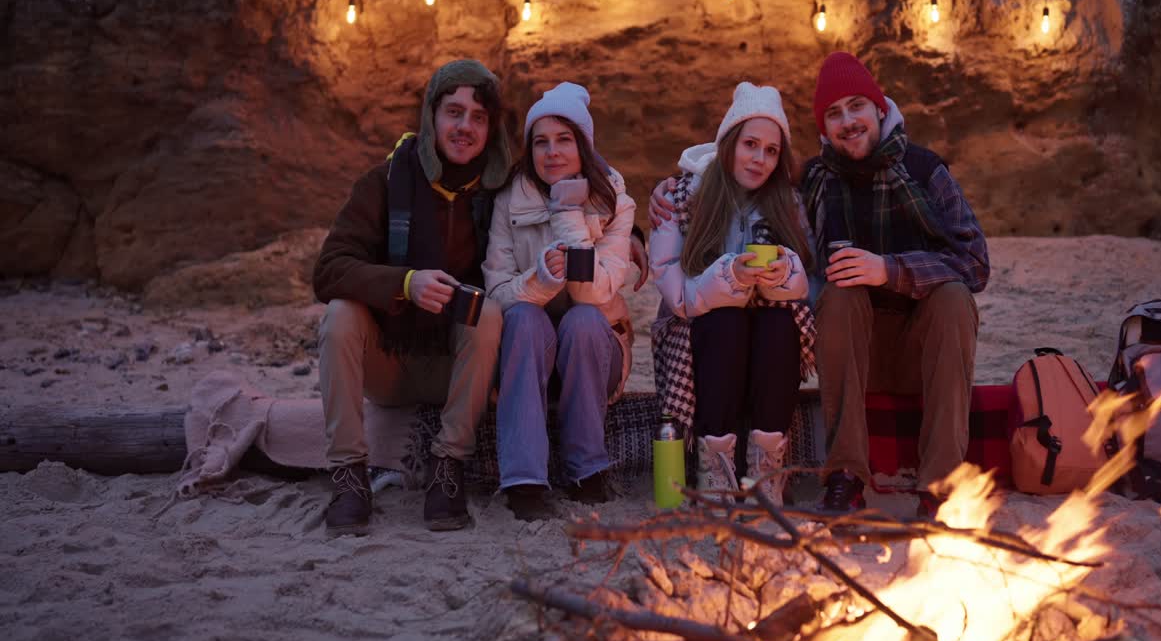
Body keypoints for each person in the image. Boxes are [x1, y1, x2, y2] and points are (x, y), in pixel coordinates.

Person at [312, 59, 509, 534]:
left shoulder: (504, 188)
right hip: (390, 364)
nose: (465, 127)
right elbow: (329, 270)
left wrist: (633, 237)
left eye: (478, 117)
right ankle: (349, 475)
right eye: (454, 112)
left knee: (488, 312)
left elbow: (572, 177)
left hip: (460, 371)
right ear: (431, 116)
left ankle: (448, 468)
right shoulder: (382, 183)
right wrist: (405, 283)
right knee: (340, 315)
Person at [802, 52, 989, 517]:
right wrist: (672, 195)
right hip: (849, 352)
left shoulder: (925, 171)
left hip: (923, 350)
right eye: (834, 113)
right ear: (823, 129)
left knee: (953, 297)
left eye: (856, 106)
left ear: (880, 109)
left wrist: (890, 269)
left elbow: (975, 263)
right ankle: (846, 477)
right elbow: (745, 186)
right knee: (840, 290)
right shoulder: (811, 180)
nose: (848, 121)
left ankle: (941, 486)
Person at [648, 82, 814, 507]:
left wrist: (783, 271)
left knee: (779, 322)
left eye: (771, 151)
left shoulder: (787, 203)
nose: (759, 159)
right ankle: (715, 470)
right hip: (699, 330)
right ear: (728, 144)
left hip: (765, 336)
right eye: (750, 144)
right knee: (725, 320)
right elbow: (672, 286)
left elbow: (807, 286)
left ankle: (766, 471)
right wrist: (728, 276)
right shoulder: (684, 196)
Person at [482, 82, 637, 521]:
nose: (552, 152)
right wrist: (544, 277)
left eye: (564, 140)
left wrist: (569, 216)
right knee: (525, 318)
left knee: (585, 319)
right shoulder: (509, 201)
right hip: (525, 352)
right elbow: (497, 291)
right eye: (540, 142)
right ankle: (524, 480)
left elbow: (602, 289)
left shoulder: (616, 204)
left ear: (583, 145)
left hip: (593, 352)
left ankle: (587, 468)